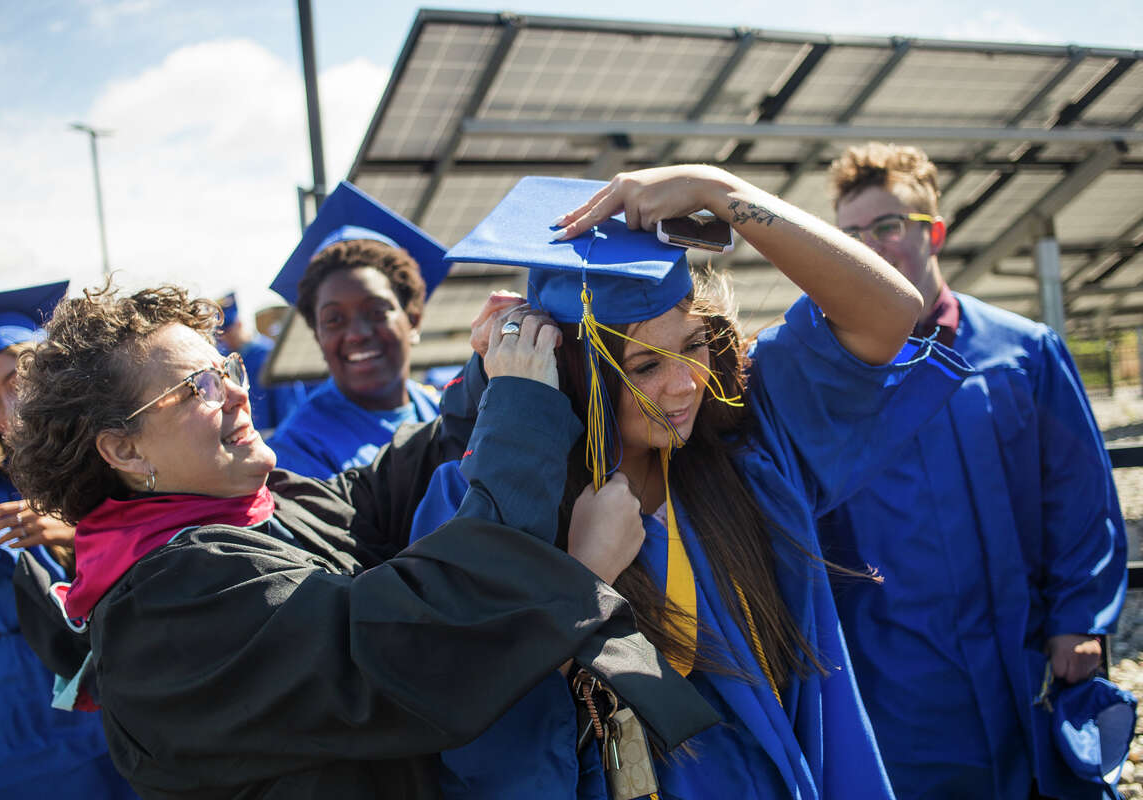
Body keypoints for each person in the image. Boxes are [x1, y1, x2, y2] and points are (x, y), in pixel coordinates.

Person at [5, 283, 718, 799]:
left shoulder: (258, 507)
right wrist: (526, 417)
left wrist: (489, 379)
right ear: (124, 452)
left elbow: (376, 495)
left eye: (227, 369)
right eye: (197, 388)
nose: (236, 393)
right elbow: (417, 639)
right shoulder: (168, 605)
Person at [409, 168, 973, 799]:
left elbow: (892, 310)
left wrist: (719, 191)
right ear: (572, 368)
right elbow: (475, 722)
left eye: (695, 345)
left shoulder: (746, 450)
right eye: (646, 365)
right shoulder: (482, 503)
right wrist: (582, 575)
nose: (685, 386)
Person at [818, 142, 1128, 799]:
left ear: (935, 232)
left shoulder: (1023, 354)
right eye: (850, 235)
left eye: (888, 227)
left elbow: (1080, 496)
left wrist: (1080, 615)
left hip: (1032, 657)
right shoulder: (826, 380)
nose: (869, 247)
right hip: (902, 679)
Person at [0, 282, 136, 799]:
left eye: (18, 381)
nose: (9, 408)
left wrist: (78, 532)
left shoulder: (116, 456)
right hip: (38, 718)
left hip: (137, 687)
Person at [265, 181, 452, 477]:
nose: (356, 334)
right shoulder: (299, 451)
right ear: (317, 336)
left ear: (413, 320)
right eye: (334, 320)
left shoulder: (446, 410)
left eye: (376, 312)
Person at [214, 291, 308, 432]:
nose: (225, 339)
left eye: (228, 332)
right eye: (220, 335)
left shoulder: (269, 355)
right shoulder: (227, 362)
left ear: (239, 324)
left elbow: (289, 408)